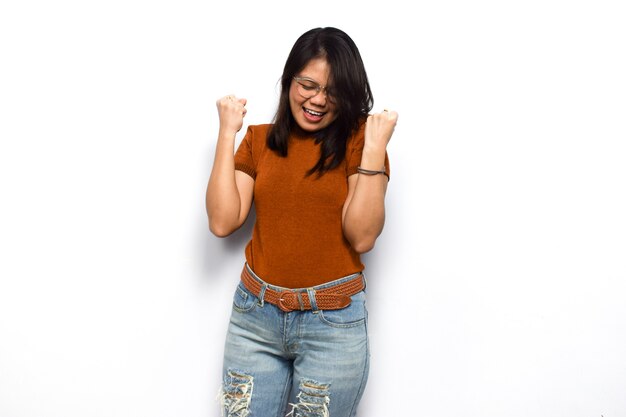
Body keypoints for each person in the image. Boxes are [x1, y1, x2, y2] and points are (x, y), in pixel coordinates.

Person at [206, 26, 397, 417]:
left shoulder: (360, 142)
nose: (318, 100)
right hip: (254, 320)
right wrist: (227, 133)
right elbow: (223, 221)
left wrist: (375, 148)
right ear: (288, 80)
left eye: (333, 91)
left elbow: (361, 236)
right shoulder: (259, 140)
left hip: (332, 324)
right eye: (307, 85)